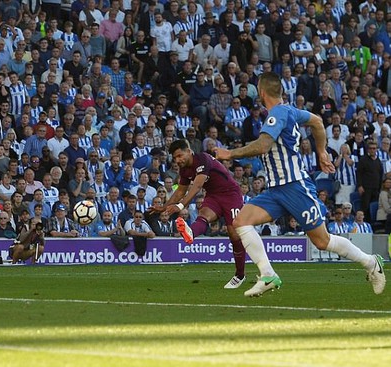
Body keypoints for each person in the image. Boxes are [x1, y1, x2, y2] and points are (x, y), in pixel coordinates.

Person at [214, 72, 385, 297]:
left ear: (262, 91)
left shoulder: (277, 114)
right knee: (241, 222)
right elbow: (316, 121)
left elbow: (263, 145)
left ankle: (371, 262)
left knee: (322, 241)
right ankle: (267, 274)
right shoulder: (289, 111)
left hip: (295, 187)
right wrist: (321, 151)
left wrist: (230, 153)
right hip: (276, 190)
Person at [150, 139, 247, 289]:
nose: (177, 160)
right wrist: (164, 207)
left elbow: (197, 186)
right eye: (175, 158)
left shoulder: (203, 159)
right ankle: (190, 232)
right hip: (214, 195)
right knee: (204, 215)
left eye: (180, 156)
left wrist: (181, 205)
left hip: (231, 195)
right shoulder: (184, 170)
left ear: (189, 151)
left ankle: (240, 275)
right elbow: (180, 191)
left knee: (234, 234)